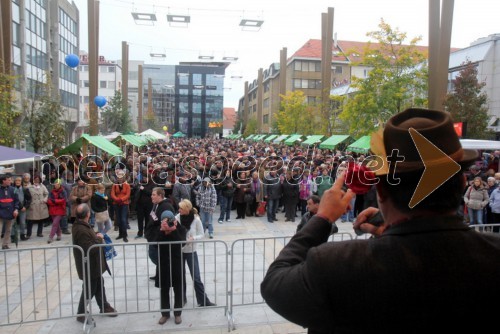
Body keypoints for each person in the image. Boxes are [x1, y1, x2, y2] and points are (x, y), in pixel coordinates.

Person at [261, 108, 500, 333]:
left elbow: (275, 284)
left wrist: (322, 218)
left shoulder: (336, 265)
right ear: (462, 183)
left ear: (382, 192)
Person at [72, 203, 117, 323]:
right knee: (90, 288)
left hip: (93, 264)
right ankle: (81, 313)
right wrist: (99, 238)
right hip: (88, 265)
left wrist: (95, 236)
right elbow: (89, 248)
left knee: (98, 283)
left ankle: (104, 306)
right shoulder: (81, 229)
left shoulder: (82, 225)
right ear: (87, 214)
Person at [177, 199, 216, 307]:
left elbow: (201, 234)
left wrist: (193, 238)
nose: (179, 210)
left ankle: (203, 300)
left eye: (181, 208)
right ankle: (181, 299)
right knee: (180, 277)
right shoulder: (177, 218)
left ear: (187, 209)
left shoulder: (196, 219)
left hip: (191, 251)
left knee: (196, 277)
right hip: (179, 251)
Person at [154, 210, 187, 325]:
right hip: (163, 263)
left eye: (168, 219)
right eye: (164, 220)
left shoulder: (180, 227)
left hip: (176, 263)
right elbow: (155, 244)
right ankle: (165, 314)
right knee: (164, 289)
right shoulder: (159, 228)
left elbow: (182, 242)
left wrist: (173, 231)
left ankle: (177, 314)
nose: (166, 222)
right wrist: (162, 231)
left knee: (178, 288)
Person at [144, 187, 175, 281]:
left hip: (158, 237)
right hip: (153, 237)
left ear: (160, 196)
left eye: (154, 195)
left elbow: (168, 224)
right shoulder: (156, 204)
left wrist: (156, 233)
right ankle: (159, 275)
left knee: (155, 256)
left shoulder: (166, 207)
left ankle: (166, 275)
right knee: (157, 256)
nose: (151, 196)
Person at [0, 175, 20, 249]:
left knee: (8, 230)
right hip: (1, 213)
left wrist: (16, 209)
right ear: (3, 181)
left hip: (11, 212)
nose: (10, 181)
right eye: (8, 180)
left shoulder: (13, 189)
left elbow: (16, 201)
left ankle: (5, 244)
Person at [111, 170, 131, 242]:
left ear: (123, 177)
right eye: (118, 176)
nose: (120, 177)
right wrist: (117, 200)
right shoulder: (114, 185)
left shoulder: (127, 185)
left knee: (123, 219)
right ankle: (120, 234)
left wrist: (121, 200)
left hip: (124, 204)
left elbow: (128, 194)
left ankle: (125, 235)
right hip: (116, 203)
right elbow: (112, 194)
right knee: (118, 220)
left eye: (121, 176)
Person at [46, 179, 67, 243]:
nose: (56, 185)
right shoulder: (51, 191)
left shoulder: (63, 191)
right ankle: (59, 235)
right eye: (55, 184)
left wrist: (54, 201)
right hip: (52, 209)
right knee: (56, 224)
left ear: (60, 185)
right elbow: (49, 201)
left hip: (60, 209)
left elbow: (63, 200)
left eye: (58, 184)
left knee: (55, 223)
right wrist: (56, 201)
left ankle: (51, 236)